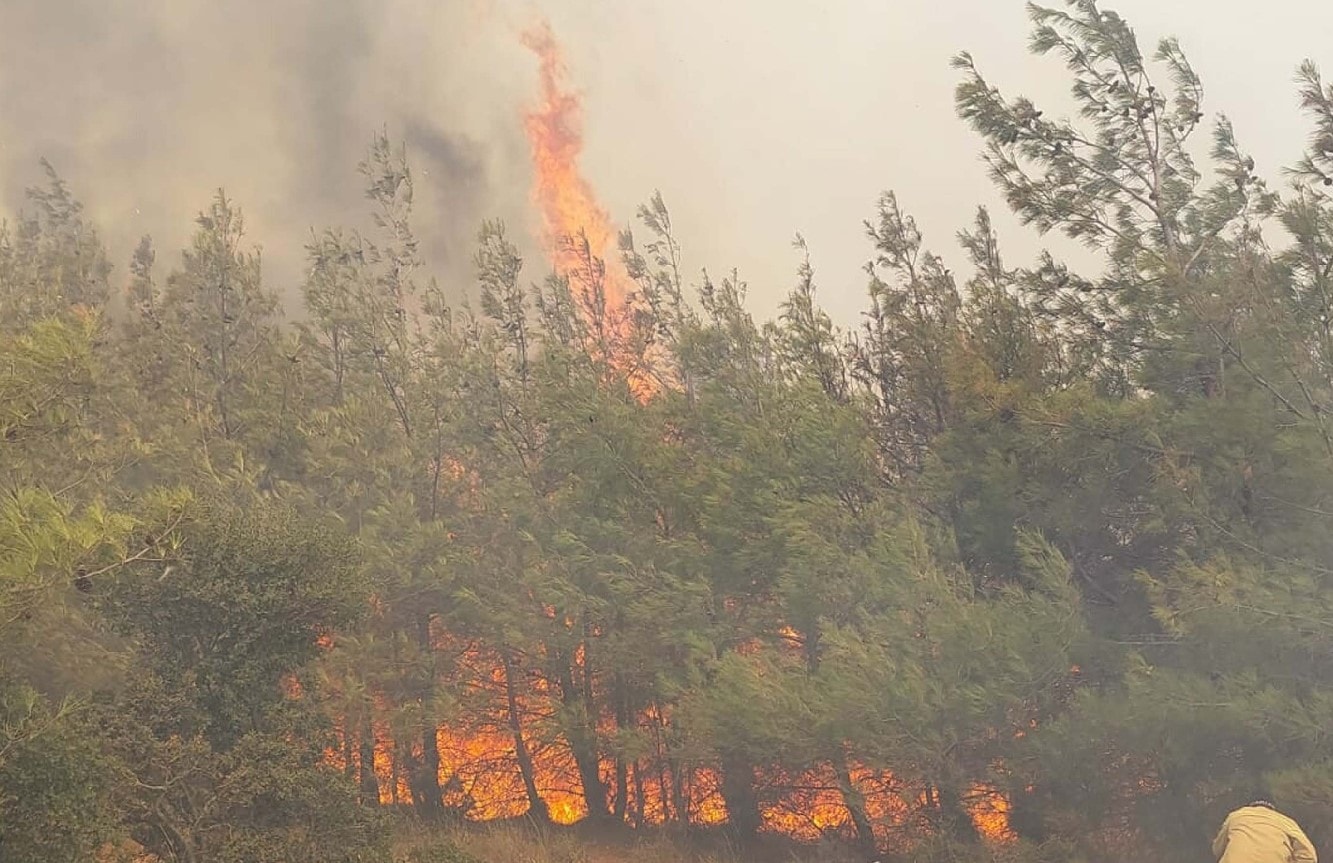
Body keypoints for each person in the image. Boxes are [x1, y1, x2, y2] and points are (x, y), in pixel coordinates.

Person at [1213, 799, 1317, 863]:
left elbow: (1217, 848)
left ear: (1250, 805)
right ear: (1273, 808)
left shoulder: (1236, 815)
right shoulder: (1285, 820)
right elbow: (1309, 855)